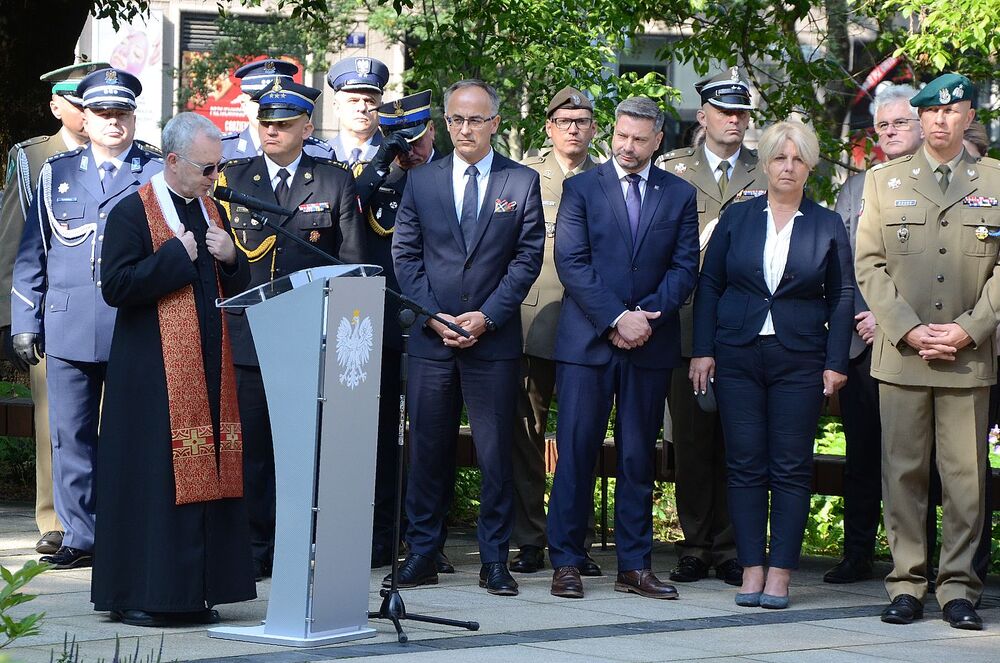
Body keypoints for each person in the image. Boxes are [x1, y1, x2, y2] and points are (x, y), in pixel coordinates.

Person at [92, 112, 255, 628]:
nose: (215, 180)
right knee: (155, 484)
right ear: (172, 161)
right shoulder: (132, 214)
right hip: (151, 379)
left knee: (207, 475)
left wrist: (233, 259)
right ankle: (145, 592)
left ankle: (198, 590)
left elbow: (231, 285)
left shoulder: (211, 211)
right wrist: (172, 257)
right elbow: (116, 287)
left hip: (208, 368)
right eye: (207, 170)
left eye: (218, 169)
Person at [856, 73, 1000, 630]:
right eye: (931, 114)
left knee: (966, 479)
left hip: (968, 354)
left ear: (968, 116)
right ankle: (908, 582)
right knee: (904, 473)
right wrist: (908, 329)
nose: (941, 121)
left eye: (952, 111)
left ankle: (959, 587)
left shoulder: (994, 180)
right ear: (921, 119)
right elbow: (868, 263)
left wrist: (970, 328)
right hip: (904, 355)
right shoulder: (882, 181)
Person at [390, 79, 544, 596]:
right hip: (433, 342)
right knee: (427, 451)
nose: (465, 129)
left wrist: (489, 316)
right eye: (456, 119)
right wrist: (433, 316)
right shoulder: (423, 181)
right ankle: (423, 554)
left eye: (475, 119)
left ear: (495, 123)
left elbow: (526, 259)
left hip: (492, 342)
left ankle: (494, 560)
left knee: (496, 454)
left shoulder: (520, 181)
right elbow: (405, 256)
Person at [691, 120, 853, 609]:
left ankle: (781, 572)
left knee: (789, 467)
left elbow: (842, 294)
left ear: (809, 167)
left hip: (799, 360)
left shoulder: (826, 224)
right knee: (743, 466)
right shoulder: (737, 219)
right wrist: (703, 349)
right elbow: (710, 285)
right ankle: (751, 569)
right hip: (737, 354)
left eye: (797, 159)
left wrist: (835, 360)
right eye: (780, 158)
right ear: (765, 165)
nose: (788, 167)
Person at [547, 96, 699, 600]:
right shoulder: (581, 188)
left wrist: (645, 318)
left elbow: (684, 269)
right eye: (621, 136)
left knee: (639, 457)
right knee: (575, 453)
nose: (628, 147)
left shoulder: (678, 194)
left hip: (650, 345)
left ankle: (634, 566)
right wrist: (616, 318)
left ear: (659, 140)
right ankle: (567, 561)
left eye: (639, 138)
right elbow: (572, 262)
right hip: (588, 342)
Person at [10, 67, 163, 570]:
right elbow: (34, 252)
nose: (112, 122)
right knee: (68, 434)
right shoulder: (58, 171)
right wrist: (24, 320)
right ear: (87, 117)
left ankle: (126, 528)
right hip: (68, 324)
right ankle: (79, 533)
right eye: (102, 113)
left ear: (133, 118)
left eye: (121, 113)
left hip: (134, 323)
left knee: (130, 434)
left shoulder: (155, 172)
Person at [222, 79, 367, 580]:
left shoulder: (332, 182)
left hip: (310, 332)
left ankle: (301, 541)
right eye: (265, 123)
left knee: (307, 447)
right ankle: (255, 544)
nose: (272, 131)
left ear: (307, 127)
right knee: (256, 447)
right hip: (250, 334)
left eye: (283, 124)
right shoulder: (232, 178)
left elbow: (350, 264)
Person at [656, 70, 767, 587]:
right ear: (703, 117)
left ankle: (733, 547)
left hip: (746, 330)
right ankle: (696, 544)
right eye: (725, 111)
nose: (735, 120)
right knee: (694, 444)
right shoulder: (672, 170)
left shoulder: (767, 172)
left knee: (739, 443)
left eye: (742, 113)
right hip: (684, 326)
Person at [0, 60, 108, 556]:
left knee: (111, 421)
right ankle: (56, 519)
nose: (89, 112)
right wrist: (13, 317)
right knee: (57, 422)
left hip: (112, 314)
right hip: (52, 316)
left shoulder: (132, 155)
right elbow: (15, 242)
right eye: (78, 102)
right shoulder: (34, 158)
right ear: (57, 105)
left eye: (97, 101)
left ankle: (105, 516)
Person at [350, 90, 454, 571]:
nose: (409, 150)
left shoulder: (454, 172)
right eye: (399, 141)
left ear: (431, 130)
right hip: (387, 322)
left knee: (433, 437)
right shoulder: (380, 174)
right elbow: (347, 209)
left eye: (413, 139)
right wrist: (384, 158)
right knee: (381, 436)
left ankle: (427, 538)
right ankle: (383, 534)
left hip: (444, 321)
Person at [825, 83, 924, 584]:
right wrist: (863, 320)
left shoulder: (940, 184)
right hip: (862, 346)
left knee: (916, 461)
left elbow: (936, 271)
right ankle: (857, 553)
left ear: (923, 122)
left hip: (918, 344)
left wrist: (889, 318)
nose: (888, 133)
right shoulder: (855, 189)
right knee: (861, 455)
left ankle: (923, 563)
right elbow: (845, 266)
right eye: (881, 125)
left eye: (899, 122)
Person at [510, 86, 601, 576]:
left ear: (593, 128)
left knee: (581, 436)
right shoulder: (524, 176)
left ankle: (576, 537)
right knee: (525, 435)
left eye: (582, 121)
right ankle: (529, 537)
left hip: (588, 327)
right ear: (548, 127)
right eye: (564, 120)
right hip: (531, 324)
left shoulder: (609, 177)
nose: (573, 128)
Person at [221, 58, 335, 162]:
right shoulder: (221, 151)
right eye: (260, 99)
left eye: (276, 100)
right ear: (243, 104)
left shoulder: (319, 154)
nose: (269, 107)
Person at [325, 56, 390, 167]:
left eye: (370, 101)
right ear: (337, 108)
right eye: (353, 101)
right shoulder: (320, 155)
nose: (362, 108)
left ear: (381, 109)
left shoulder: (396, 156)